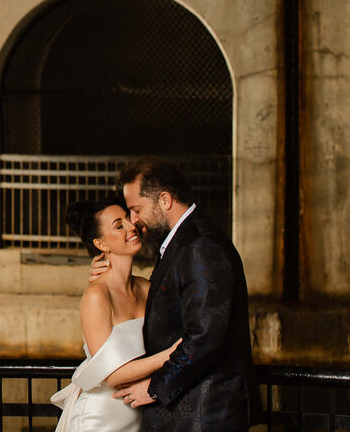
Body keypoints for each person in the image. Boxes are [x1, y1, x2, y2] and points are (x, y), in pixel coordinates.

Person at [103, 156, 262, 431]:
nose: (133, 220)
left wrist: (154, 388)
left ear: (164, 200)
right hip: (191, 412)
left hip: (207, 415)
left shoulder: (201, 245)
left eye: (136, 209)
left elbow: (204, 337)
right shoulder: (181, 242)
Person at [52, 198, 181, 432]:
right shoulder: (96, 296)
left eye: (128, 219)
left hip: (140, 412)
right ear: (101, 244)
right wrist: (171, 355)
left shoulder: (146, 288)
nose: (131, 227)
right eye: (118, 225)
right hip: (100, 417)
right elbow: (110, 374)